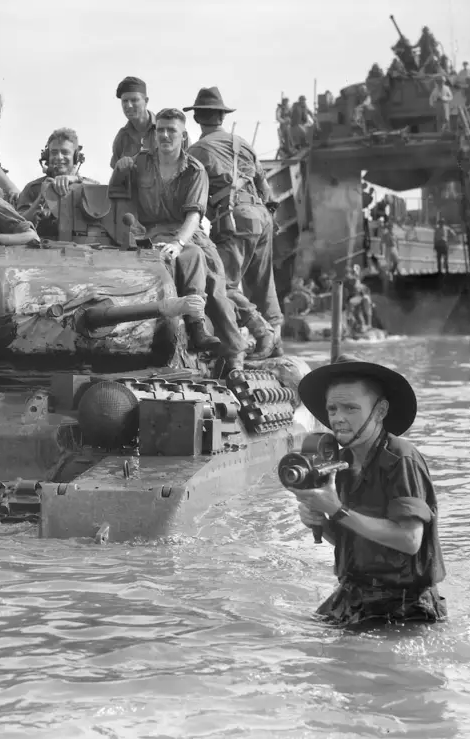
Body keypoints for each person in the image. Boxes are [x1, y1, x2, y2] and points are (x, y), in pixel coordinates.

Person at [292, 354, 447, 627]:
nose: (338, 418)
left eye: (350, 409)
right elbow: (352, 540)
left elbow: (409, 541)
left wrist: (336, 510)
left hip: (404, 606)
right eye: (332, 409)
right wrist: (319, 519)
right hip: (353, 596)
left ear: (380, 411)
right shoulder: (341, 464)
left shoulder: (401, 459)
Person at [109, 107, 246, 371]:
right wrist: (119, 167)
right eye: (160, 129)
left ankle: (234, 356)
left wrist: (179, 243)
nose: (164, 135)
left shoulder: (194, 169)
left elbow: (194, 215)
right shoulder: (140, 162)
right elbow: (115, 192)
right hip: (151, 232)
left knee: (216, 284)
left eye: (171, 130)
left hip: (186, 230)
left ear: (183, 136)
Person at [186, 87, 282, 359]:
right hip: (262, 217)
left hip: (234, 219)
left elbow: (190, 192)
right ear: (221, 116)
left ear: (197, 119)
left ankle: (260, 331)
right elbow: (265, 186)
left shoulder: (197, 151)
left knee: (221, 284)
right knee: (263, 284)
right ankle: (277, 345)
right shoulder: (243, 143)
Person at [16, 128, 98, 241]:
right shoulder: (33, 189)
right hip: (40, 251)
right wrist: (40, 198)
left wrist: (75, 180)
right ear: (47, 156)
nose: (59, 157)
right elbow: (17, 225)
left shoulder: (89, 186)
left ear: (75, 157)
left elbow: (102, 197)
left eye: (65, 152)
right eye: (54, 152)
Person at [110, 76, 159, 169]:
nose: (129, 105)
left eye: (134, 100)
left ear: (146, 101)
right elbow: (117, 175)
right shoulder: (122, 137)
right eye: (125, 101)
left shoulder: (167, 129)